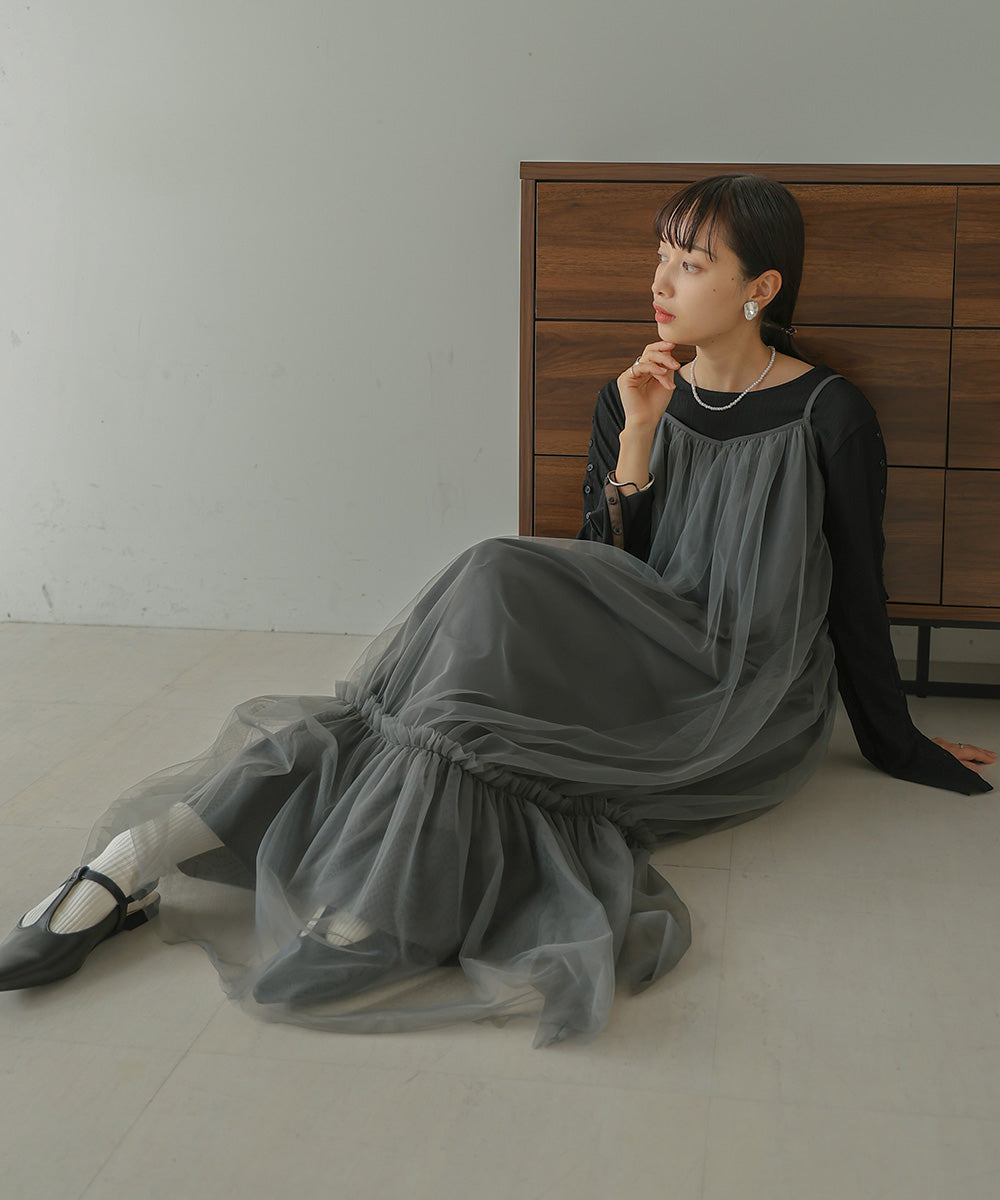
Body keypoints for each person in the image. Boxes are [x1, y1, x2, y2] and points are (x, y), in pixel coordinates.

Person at [0, 174, 993, 1048]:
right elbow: (608, 571)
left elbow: (857, 589)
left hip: (734, 679)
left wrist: (896, 739)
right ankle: (147, 856)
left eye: (690, 264)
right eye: (659, 256)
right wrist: (638, 439)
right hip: (637, 638)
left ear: (760, 288)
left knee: (483, 629)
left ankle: (252, 880)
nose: (660, 282)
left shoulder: (829, 414)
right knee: (466, 643)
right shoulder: (634, 393)